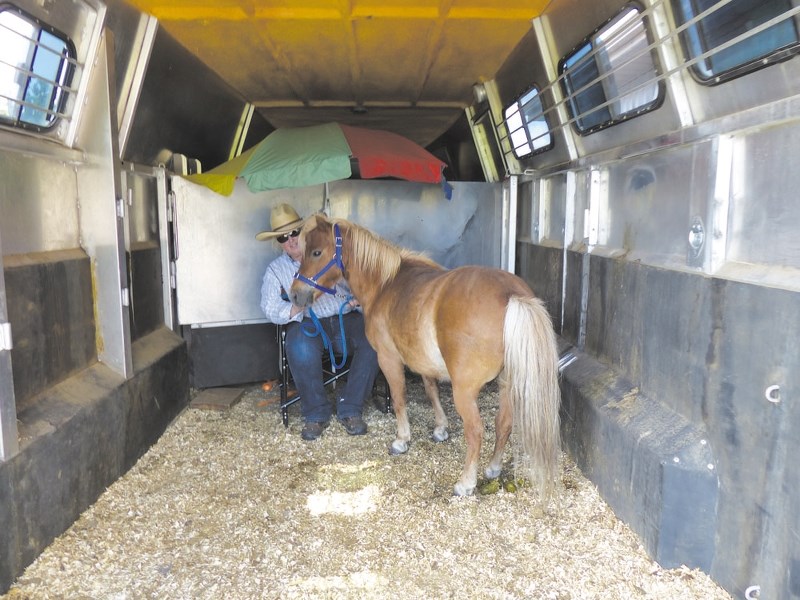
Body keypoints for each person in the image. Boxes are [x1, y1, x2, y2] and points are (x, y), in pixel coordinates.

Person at [256, 203, 379, 441]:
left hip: (345, 317)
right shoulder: (276, 270)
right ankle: (315, 412)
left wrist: (357, 300)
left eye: (294, 232)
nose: (291, 240)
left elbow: (363, 286)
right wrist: (296, 307)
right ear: (278, 242)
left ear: (303, 232)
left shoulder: (329, 252)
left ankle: (351, 407)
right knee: (299, 347)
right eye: (283, 237)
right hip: (308, 322)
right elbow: (269, 307)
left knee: (374, 340)